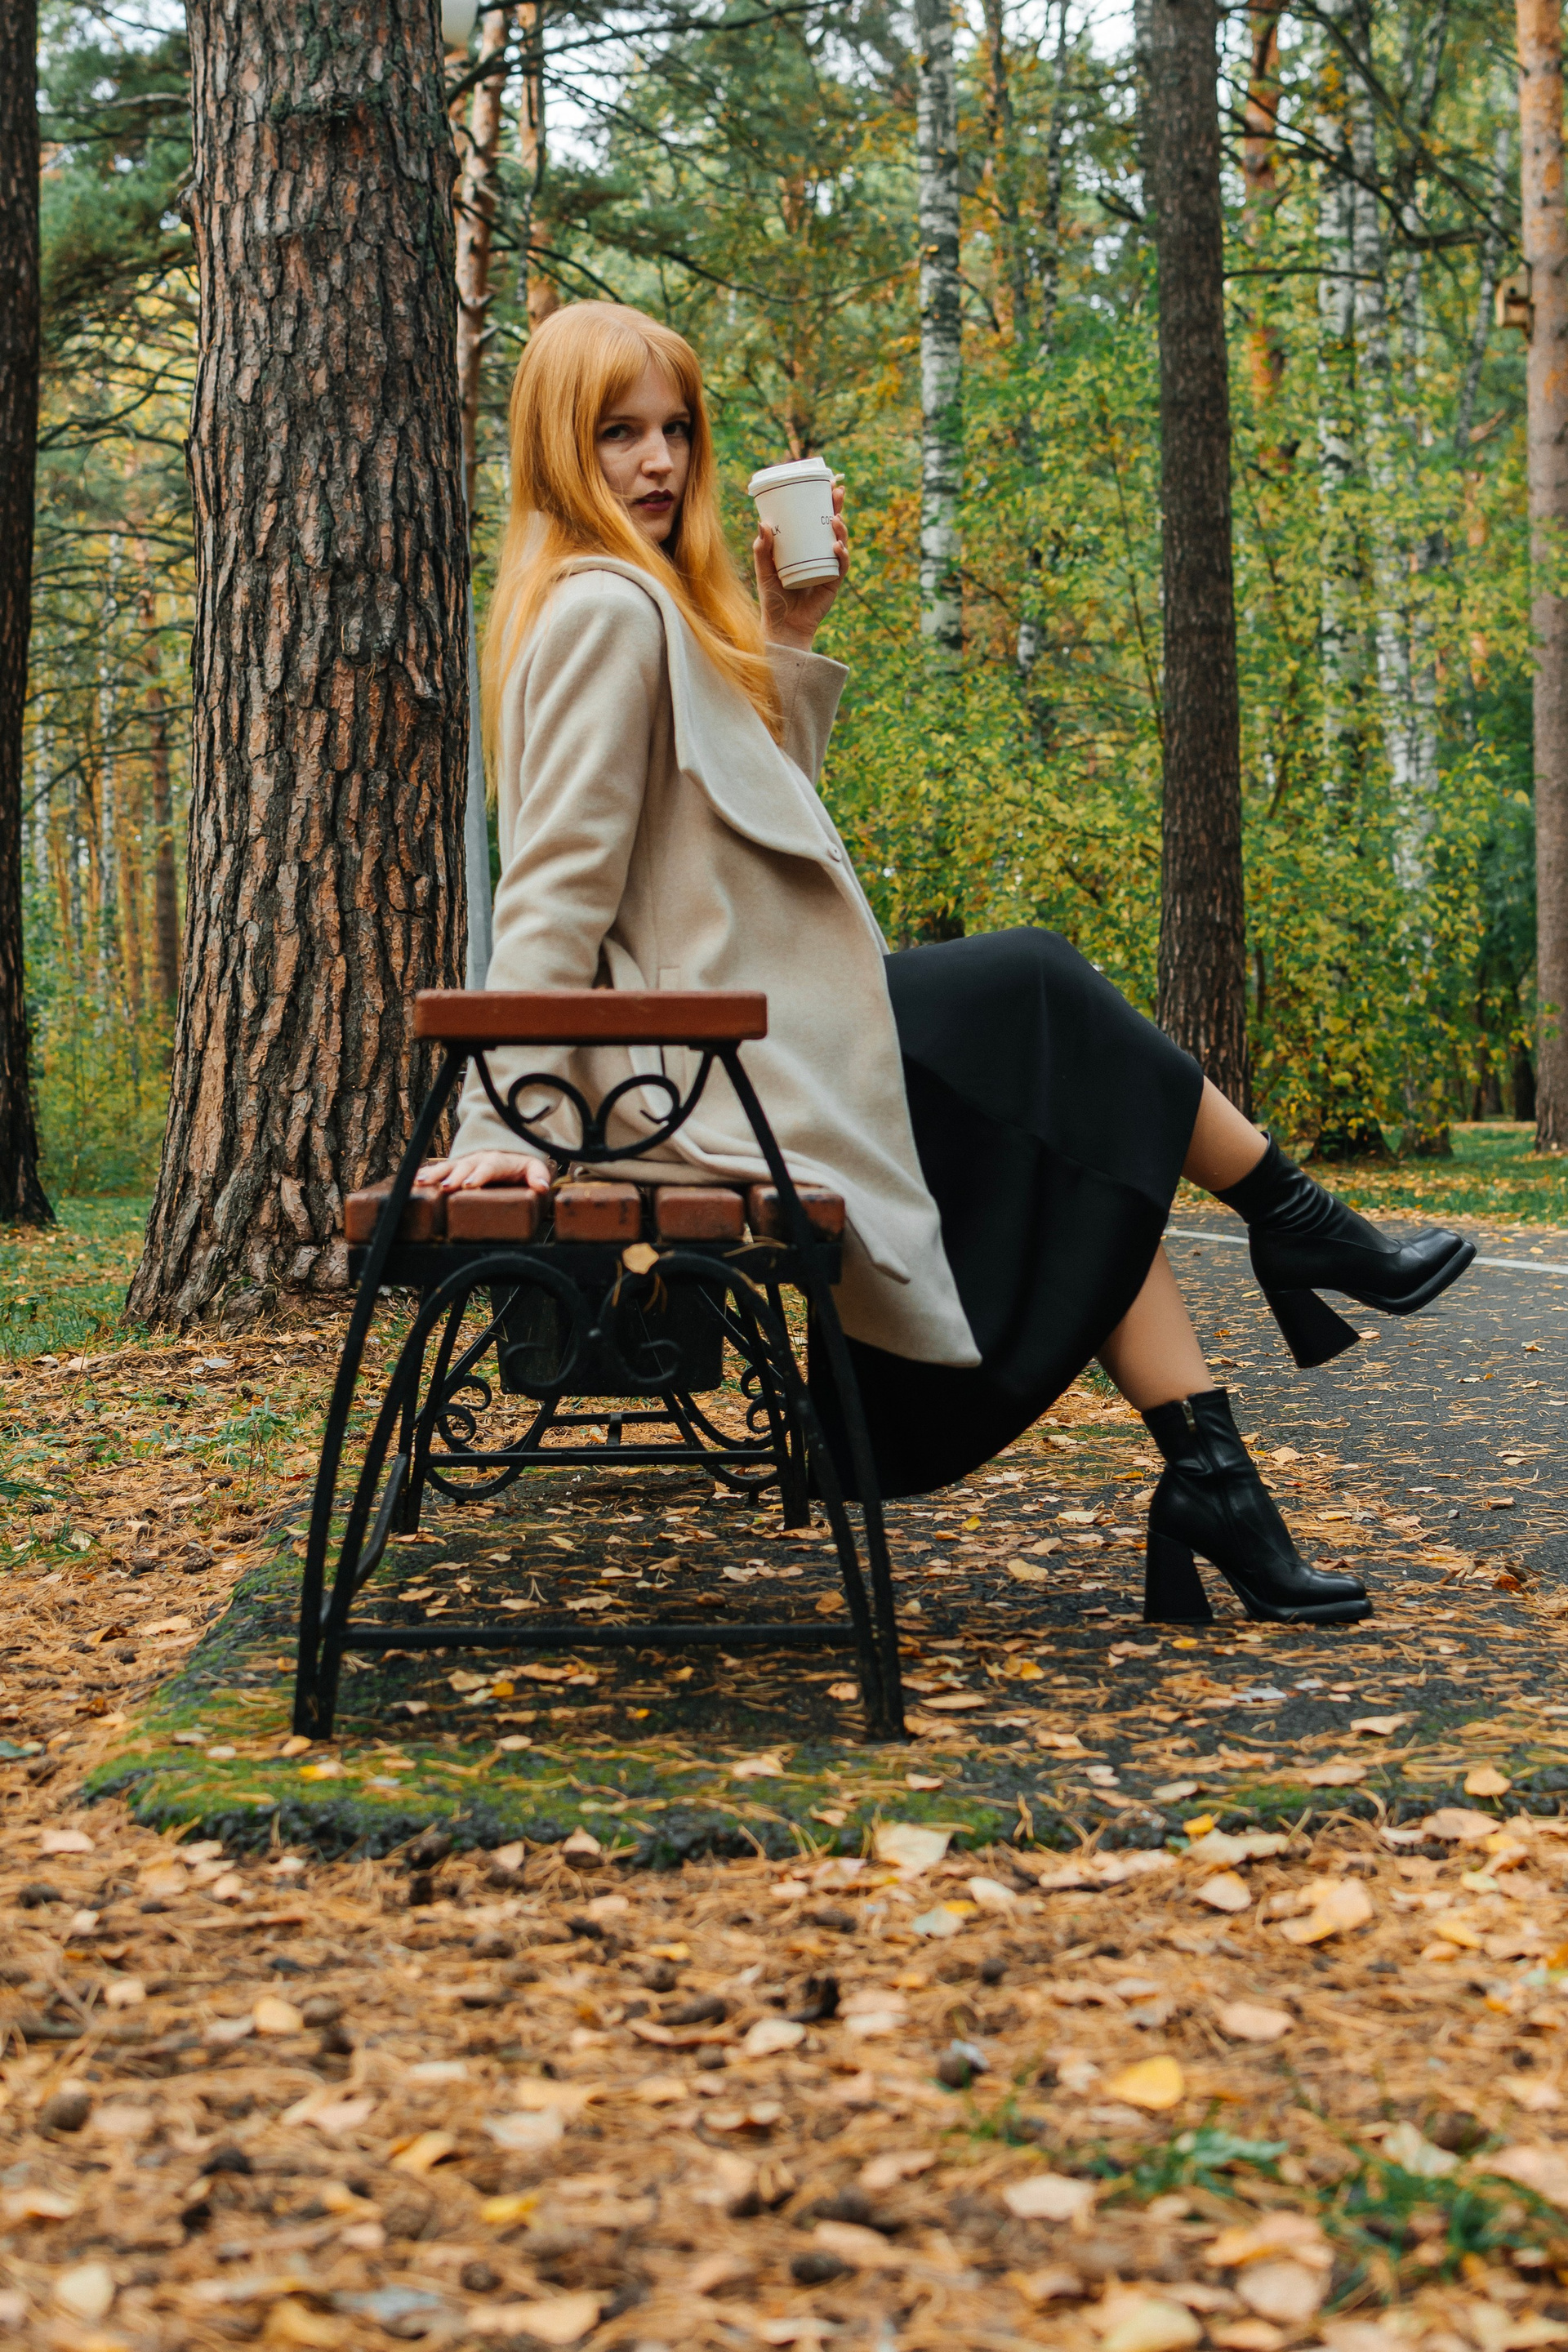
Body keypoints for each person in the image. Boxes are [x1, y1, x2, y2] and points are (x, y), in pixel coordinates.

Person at [419, 301, 1475, 1629]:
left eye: (676, 428)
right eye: (617, 433)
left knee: (1075, 1123)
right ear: (556, 448)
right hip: (705, 1069)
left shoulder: (638, 603)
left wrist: (785, 629)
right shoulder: (603, 610)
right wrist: (496, 1122)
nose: (660, 462)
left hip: (746, 1042)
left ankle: (1218, 1480)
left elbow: (738, 834)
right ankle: (1300, 1225)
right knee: (1036, 983)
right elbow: (555, 890)